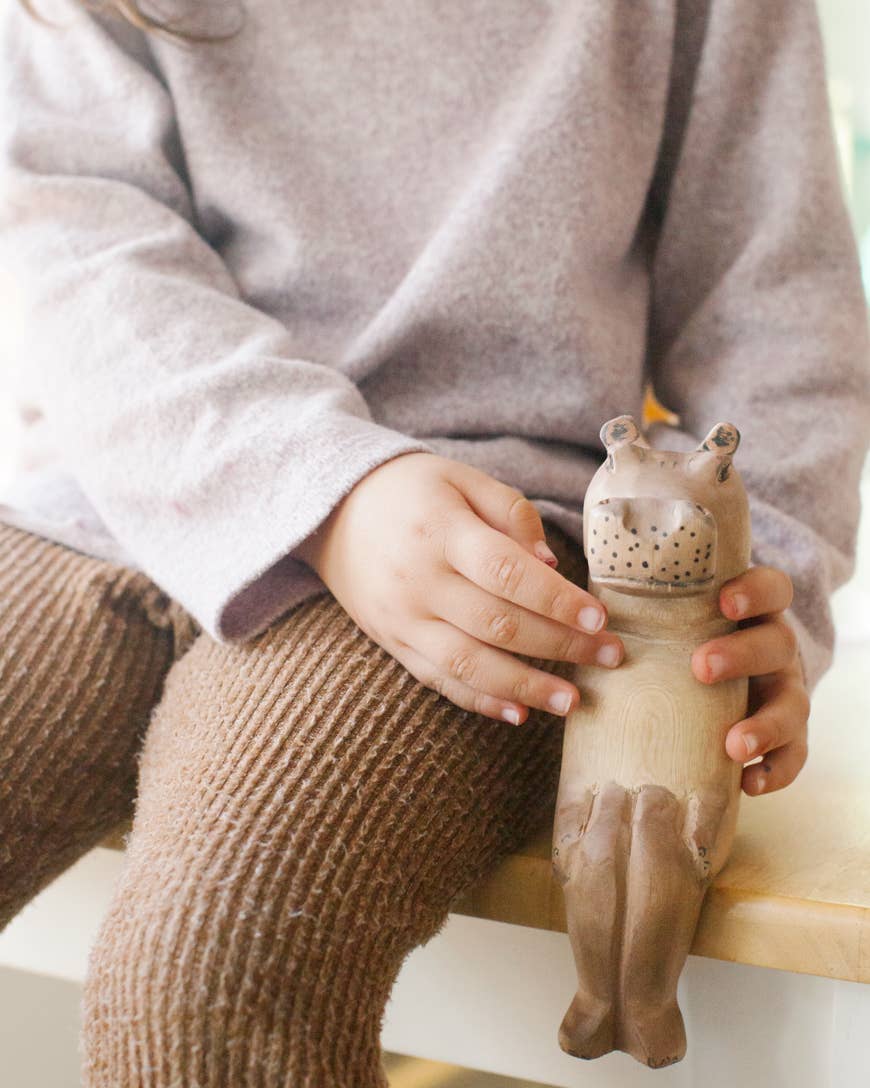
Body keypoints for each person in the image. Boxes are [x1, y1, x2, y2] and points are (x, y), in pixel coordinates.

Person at [0, 0, 867, 1084]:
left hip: (485, 569)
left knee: (214, 974)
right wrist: (323, 488)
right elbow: (82, 240)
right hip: (97, 499)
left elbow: (776, 307)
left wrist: (752, 595)